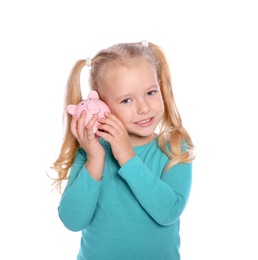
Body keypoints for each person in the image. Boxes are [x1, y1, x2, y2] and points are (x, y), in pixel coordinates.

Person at [50, 40, 196, 260]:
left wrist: (127, 156)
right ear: (103, 105)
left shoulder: (174, 148)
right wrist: (95, 159)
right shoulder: (90, 153)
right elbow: (72, 221)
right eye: (127, 100)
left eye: (150, 92)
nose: (144, 108)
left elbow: (168, 212)